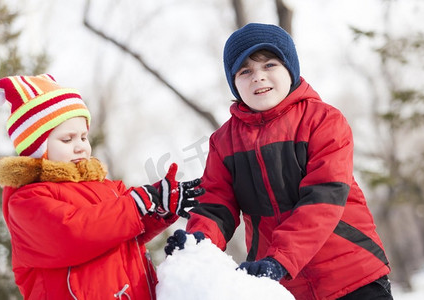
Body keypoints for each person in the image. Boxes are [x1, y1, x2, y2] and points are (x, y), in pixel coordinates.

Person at [164, 23, 393, 300]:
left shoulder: (323, 121)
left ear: (290, 69)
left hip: (352, 276)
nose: (258, 77)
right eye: (245, 71)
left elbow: (323, 198)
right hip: (283, 288)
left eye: (269, 65)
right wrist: (198, 243)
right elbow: (215, 205)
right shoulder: (223, 142)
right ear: (233, 82)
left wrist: (280, 260)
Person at [0, 74, 204, 299]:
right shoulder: (26, 199)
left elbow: (124, 229)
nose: (80, 147)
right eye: (67, 140)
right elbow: (72, 233)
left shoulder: (107, 188)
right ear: (37, 148)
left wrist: (158, 205)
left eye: (84, 137)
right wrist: (136, 205)